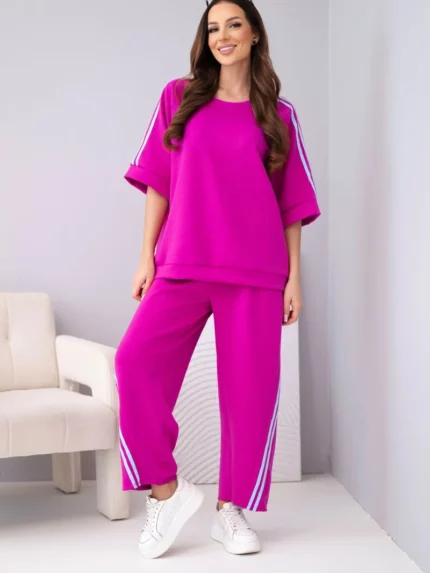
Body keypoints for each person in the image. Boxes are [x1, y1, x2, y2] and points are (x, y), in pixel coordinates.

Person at [114, 0, 321, 560]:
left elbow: (292, 204)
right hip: (182, 261)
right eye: (213, 28)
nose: (222, 36)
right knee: (133, 363)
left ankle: (232, 511)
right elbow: (159, 180)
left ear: (254, 34)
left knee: (249, 394)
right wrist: (146, 256)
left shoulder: (280, 115)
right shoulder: (178, 98)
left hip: (256, 271)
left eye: (233, 25)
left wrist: (294, 279)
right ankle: (166, 492)